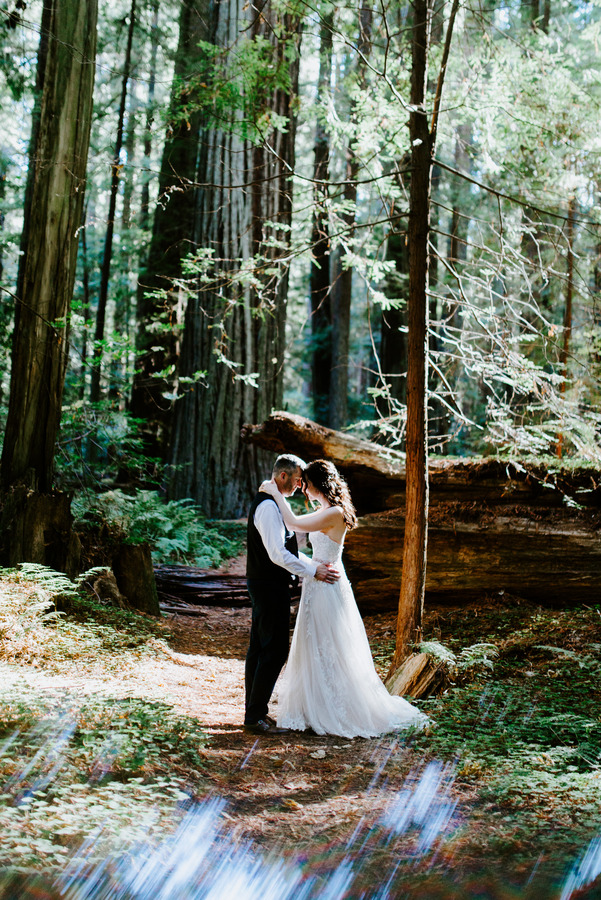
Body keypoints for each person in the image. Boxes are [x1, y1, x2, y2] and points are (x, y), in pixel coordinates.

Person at [260, 459, 428, 739]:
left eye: (306, 484)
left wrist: (272, 492)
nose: (303, 490)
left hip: (327, 585)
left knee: (329, 646)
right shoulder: (326, 510)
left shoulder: (334, 513)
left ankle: (334, 708)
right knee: (315, 645)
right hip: (318, 580)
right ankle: (313, 706)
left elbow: (293, 522)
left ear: (317, 484)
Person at [244, 454, 340, 735]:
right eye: (298, 479)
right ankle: (254, 716)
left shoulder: (275, 504)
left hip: (268, 583)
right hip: (268, 583)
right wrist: (313, 572)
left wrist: (312, 565)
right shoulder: (267, 507)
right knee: (273, 650)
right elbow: (277, 554)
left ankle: (255, 712)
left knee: (261, 648)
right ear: (283, 476)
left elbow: (291, 548)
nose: (300, 486)